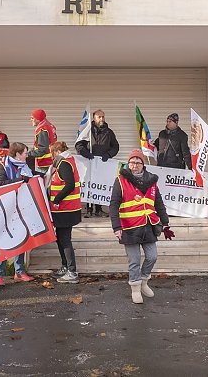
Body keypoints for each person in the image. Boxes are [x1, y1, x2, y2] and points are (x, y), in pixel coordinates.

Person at [109, 149, 173, 304]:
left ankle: (144, 281)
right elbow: (113, 205)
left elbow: (158, 203)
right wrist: (116, 227)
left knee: (152, 257)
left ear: (143, 165)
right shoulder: (121, 180)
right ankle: (135, 289)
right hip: (129, 227)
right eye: (132, 162)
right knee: (134, 260)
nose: (135, 165)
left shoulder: (151, 181)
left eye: (138, 162)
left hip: (149, 226)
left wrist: (165, 223)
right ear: (128, 164)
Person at [0, 142, 35, 286]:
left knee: (20, 239)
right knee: (4, 240)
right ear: (17, 154)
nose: (27, 156)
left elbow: (33, 177)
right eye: (25, 153)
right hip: (5, 209)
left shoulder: (25, 167)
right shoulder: (2, 167)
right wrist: (19, 180)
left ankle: (19, 272)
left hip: (21, 208)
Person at [47, 141, 82, 284]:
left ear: (56, 152)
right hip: (66, 208)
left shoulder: (64, 164)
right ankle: (65, 267)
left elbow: (69, 185)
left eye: (52, 153)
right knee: (61, 239)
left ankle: (72, 272)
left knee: (64, 240)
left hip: (65, 209)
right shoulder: (66, 162)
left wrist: (56, 199)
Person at [75, 109, 119, 218]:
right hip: (89, 162)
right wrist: (86, 154)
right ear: (94, 118)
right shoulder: (87, 131)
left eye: (103, 116)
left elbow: (115, 147)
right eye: (99, 117)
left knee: (100, 185)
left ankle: (99, 209)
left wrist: (108, 155)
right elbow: (79, 145)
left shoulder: (109, 132)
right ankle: (89, 209)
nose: (102, 119)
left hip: (102, 164)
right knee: (90, 184)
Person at [28, 109, 57, 174]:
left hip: (44, 162)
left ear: (38, 119)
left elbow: (42, 150)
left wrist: (28, 154)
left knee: (43, 182)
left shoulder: (42, 130)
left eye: (32, 118)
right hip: (51, 160)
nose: (31, 120)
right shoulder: (50, 126)